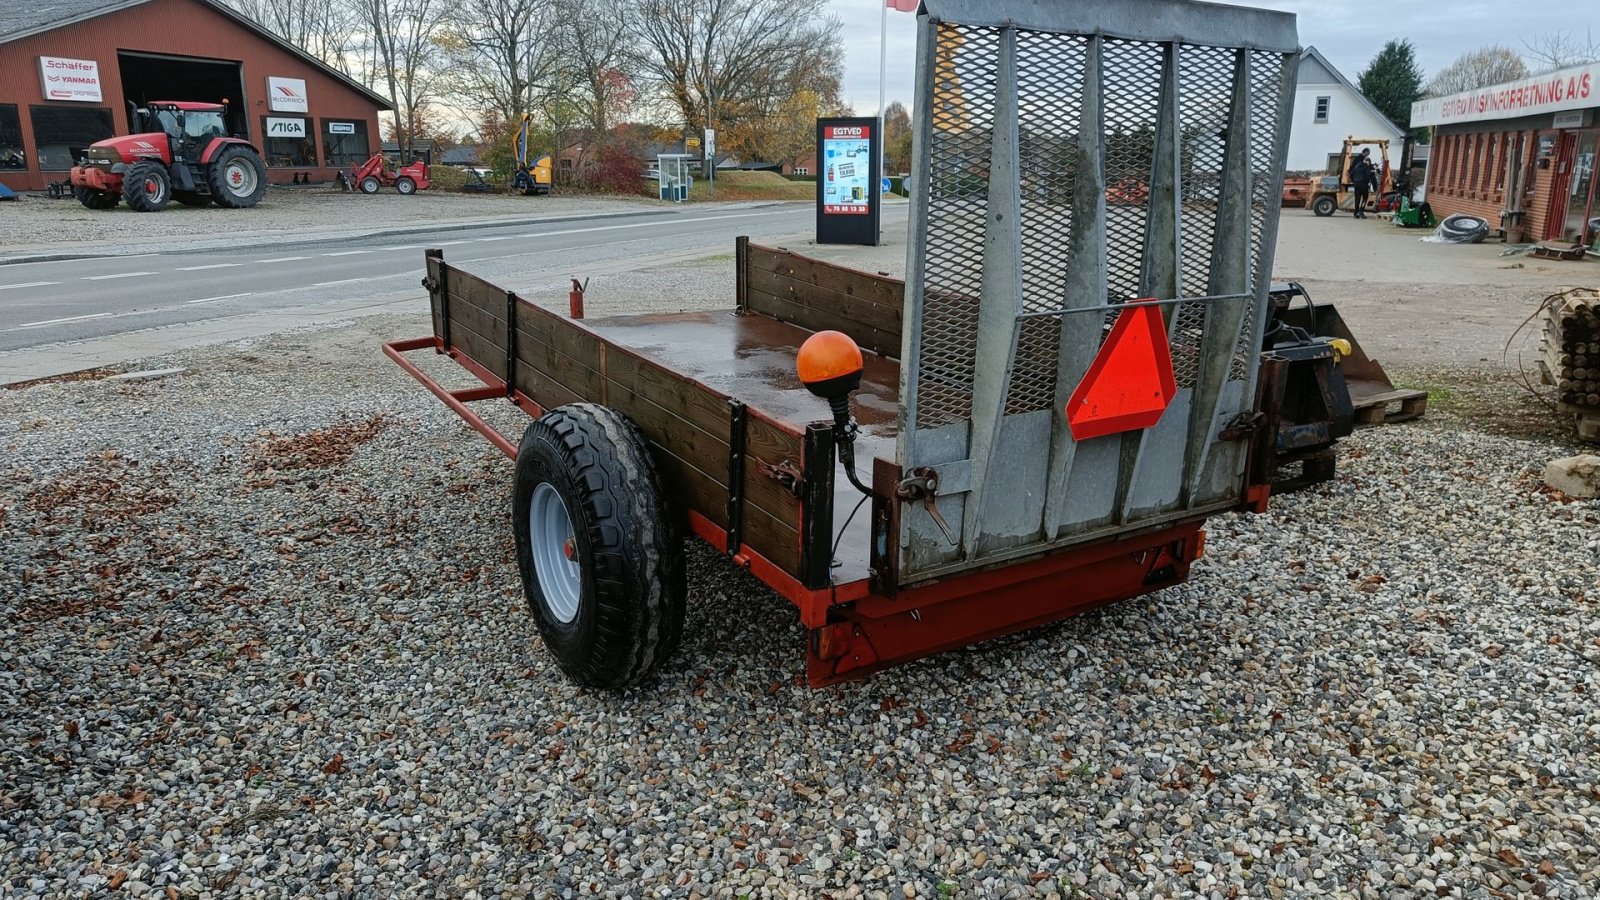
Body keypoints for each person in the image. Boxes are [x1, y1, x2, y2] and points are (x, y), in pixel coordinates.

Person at [1348, 148, 1377, 219]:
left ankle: (1355, 213)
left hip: (1356, 184)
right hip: (1363, 184)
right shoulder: (1366, 167)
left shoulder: (1356, 166)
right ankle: (1361, 211)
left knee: (1357, 198)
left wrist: (1354, 181)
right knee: (1365, 198)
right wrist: (1369, 179)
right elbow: (1367, 176)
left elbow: (1351, 175)